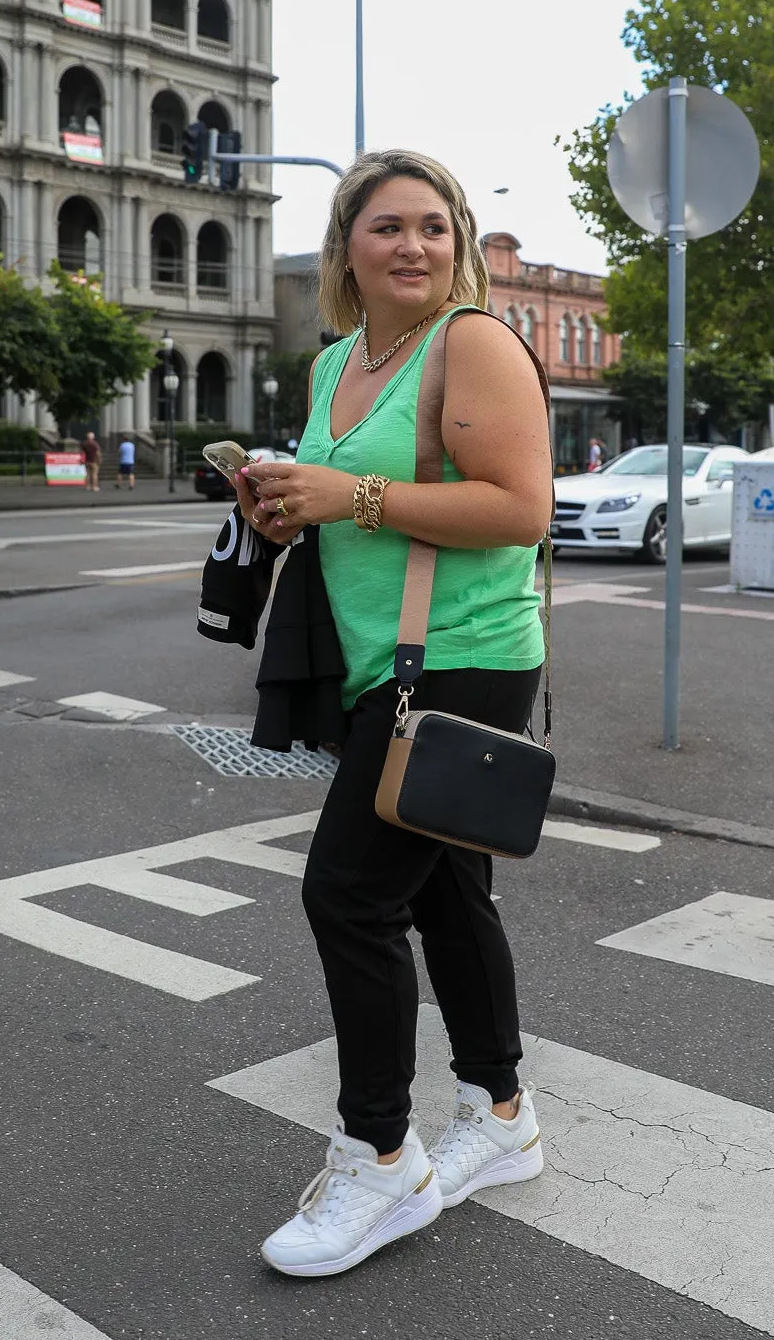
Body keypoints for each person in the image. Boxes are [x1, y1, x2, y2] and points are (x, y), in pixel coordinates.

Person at [235, 148, 551, 1279]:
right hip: (383, 660)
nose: (412, 244)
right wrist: (289, 507)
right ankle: (501, 1112)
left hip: (463, 658)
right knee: (447, 890)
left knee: (350, 894)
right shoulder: (334, 365)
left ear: (458, 241)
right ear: (346, 248)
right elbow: (343, 506)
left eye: (432, 224)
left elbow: (520, 507)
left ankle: (381, 1158)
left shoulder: (470, 343)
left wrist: (349, 494)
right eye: (387, 226)